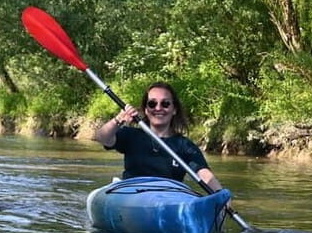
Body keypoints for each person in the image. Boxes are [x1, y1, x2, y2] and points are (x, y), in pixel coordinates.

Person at [94, 81, 227, 193]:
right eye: (152, 104)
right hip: (132, 194)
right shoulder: (131, 135)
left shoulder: (185, 146)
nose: (158, 108)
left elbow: (204, 174)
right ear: (146, 109)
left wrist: (221, 196)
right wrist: (118, 119)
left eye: (165, 104)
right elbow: (102, 137)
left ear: (174, 109)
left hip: (168, 199)